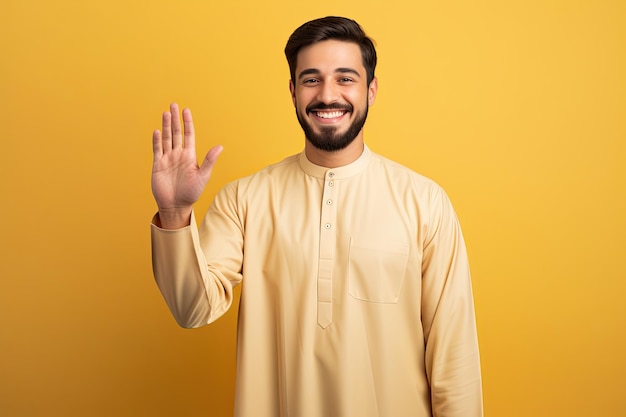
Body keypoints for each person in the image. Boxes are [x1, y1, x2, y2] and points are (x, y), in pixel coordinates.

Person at [150, 16, 483, 417]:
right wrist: (174, 212)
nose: (328, 95)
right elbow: (191, 308)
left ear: (371, 90)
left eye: (345, 79)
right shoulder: (245, 200)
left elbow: (454, 357)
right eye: (311, 79)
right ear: (292, 91)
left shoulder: (425, 203)